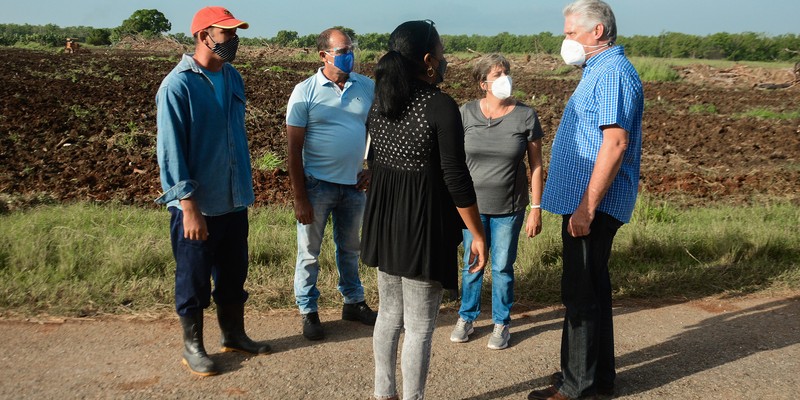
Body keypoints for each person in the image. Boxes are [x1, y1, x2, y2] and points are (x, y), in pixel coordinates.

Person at [361, 20, 487, 400]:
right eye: (443, 53)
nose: (446, 60)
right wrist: (477, 234)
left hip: (385, 221)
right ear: (430, 60)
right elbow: (456, 178)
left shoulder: (381, 101)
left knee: (388, 316)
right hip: (423, 226)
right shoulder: (440, 106)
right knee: (417, 327)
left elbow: (374, 164)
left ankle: (384, 395)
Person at [527, 1, 643, 399]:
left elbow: (614, 143)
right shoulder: (601, 70)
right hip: (587, 203)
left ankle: (577, 388)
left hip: (590, 206)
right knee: (591, 289)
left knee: (579, 295)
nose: (565, 40)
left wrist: (586, 208)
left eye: (570, 33)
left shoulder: (611, 74)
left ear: (597, 32)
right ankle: (596, 379)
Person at [155, 6, 270, 377]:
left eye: (236, 34)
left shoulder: (233, 77)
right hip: (199, 206)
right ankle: (193, 347)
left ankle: (233, 333)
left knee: (234, 275)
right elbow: (171, 151)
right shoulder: (178, 85)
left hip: (234, 199)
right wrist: (188, 206)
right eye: (227, 34)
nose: (234, 41)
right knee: (193, 278)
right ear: (205, 36)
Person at [285, 28, 377, 341]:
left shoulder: (367, 87)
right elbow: (293, 150)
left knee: (351, 249)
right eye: (341, 50)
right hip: (316, 186)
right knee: (309, 253)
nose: (349, 55)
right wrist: (300, 197)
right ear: (324, 55)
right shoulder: (305, 91)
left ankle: (353, 302)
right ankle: (309, 311)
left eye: (351, 48)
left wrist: (372, 169)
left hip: (353, 186)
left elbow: (378, 131)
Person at [450, 53, 544, 350]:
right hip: (472, 208)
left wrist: (536, 209)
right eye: (497, 74)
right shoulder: (465, 113)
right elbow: (452, 161)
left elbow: (537, 164)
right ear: (483, 83)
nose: (505, 79)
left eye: (507, 73)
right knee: (473, 263)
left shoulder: (525, 115)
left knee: (502, 267)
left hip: (509, 208)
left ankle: (502, 323)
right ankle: (467, 317)